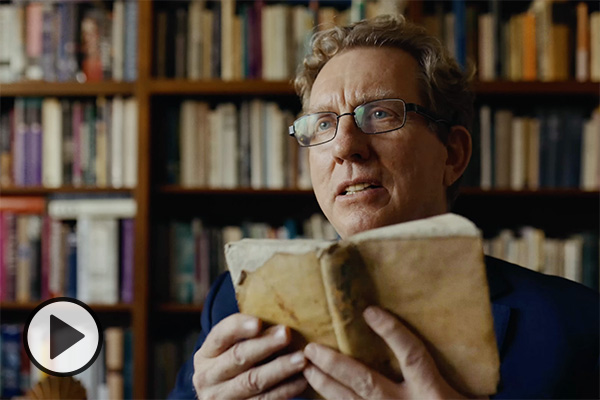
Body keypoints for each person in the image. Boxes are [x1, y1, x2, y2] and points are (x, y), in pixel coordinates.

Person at [169, 15, 599, 399]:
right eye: (322, 123)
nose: (344, 146)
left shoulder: (577, 326)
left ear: (452, 154)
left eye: (378, 114)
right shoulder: (234, 303)